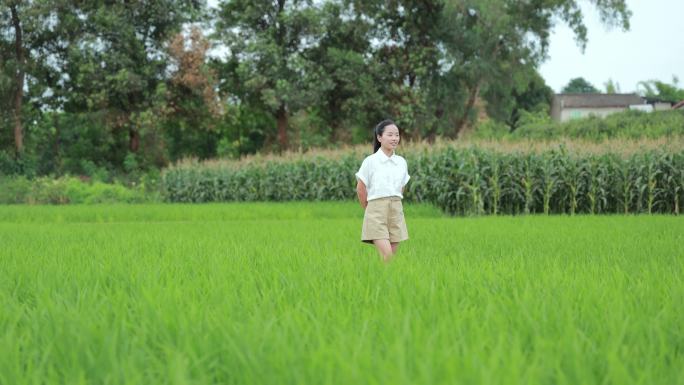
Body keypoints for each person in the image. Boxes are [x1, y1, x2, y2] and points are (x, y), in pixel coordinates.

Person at [355, 119, 410, 262]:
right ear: (379, 138)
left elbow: (401, 187)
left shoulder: (401, 162)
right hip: (376, 209)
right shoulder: (370, 161)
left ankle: (384, 281)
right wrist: (369, 209)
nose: (394, 138)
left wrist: (395, 203)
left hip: (396, 209)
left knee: (390, 259)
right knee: (387, 255)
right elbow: (360, 188)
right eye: (390, 135)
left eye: (397, 135)